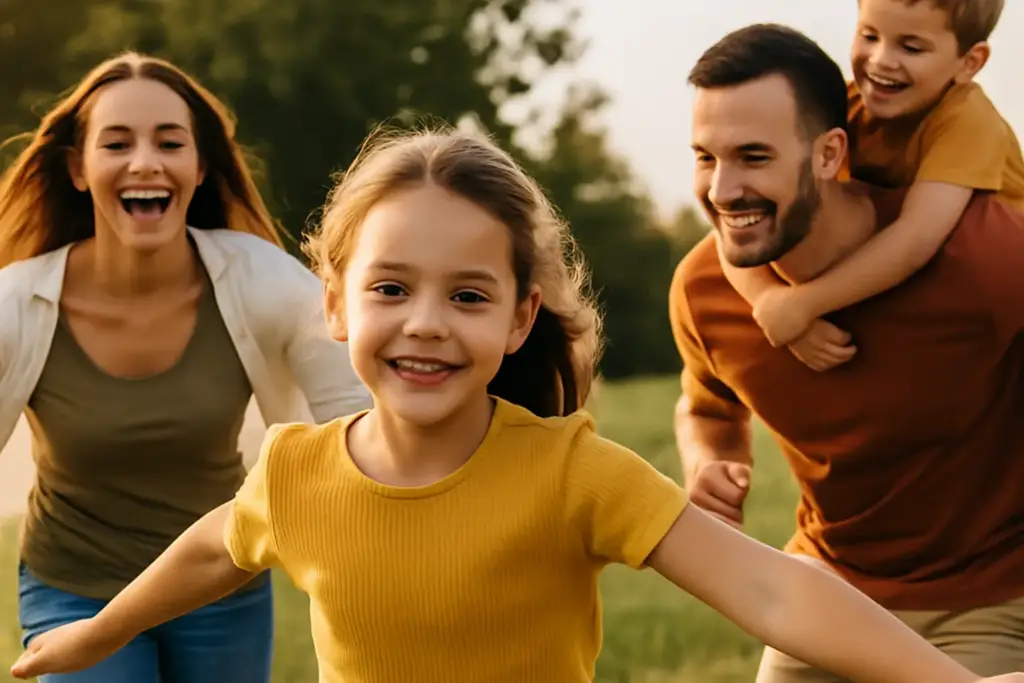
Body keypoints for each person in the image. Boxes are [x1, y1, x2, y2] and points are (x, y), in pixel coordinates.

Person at [9, 127, 1024, 683]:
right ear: (333, 304)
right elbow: (215, 545)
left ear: (518, 315)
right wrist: (100, 629)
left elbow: (771, 592)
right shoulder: (296, 469)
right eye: (390, 288)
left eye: (467, 295)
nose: (425, 324)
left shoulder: (571, 469)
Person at [671, 22, 1024, 683]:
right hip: (826, 594)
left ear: (831, 153)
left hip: (993, 601)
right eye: (705, 157)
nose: (721, 190)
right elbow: (706, 408)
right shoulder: (704, 289)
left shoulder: (988, 260)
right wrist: (712, 457)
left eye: (754, 156)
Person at [0, 52, 369, 683]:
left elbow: (361, 416)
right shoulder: (17, 304)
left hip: (219, 582)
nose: (145, 160)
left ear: (199, 168)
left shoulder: (263, 282)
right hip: (74, 585)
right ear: (78, 169)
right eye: (117, 143)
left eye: (169, 142)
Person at [717, 0, 1022, 371]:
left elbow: (915, 238)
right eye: (869, 36)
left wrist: (805, 304)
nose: (881, 60)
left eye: (911, 47)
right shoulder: (844, 106)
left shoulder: (967, 120)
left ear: (969, 62)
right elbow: (735, 220)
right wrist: (770, 301)